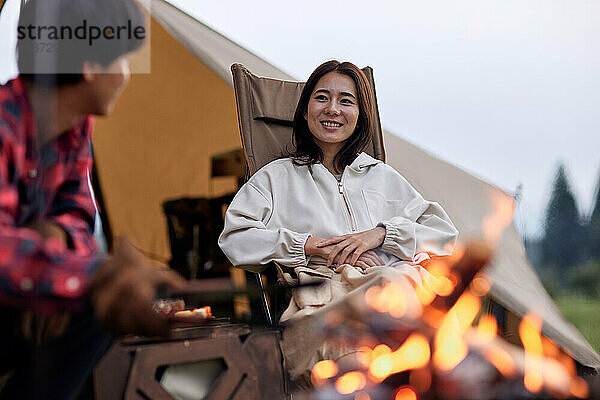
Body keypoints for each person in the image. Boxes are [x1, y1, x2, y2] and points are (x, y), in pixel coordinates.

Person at [219, 60, 459, 385]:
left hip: (389, 294)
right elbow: (235, 237)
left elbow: (445, 237)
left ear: (360, 115)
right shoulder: (277, 177)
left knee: (411, 311)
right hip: (321, 307)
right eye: (321, 98)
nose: (333, 109)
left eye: (346, 101)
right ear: (305, 111)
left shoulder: (382, 177)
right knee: (372, 346)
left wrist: (380, 235)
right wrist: (308, 245)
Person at [0, 1, 185, 398]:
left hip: (18, 302)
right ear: (88, 65)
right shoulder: (4, 125)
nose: (126, 74)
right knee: (95, 293)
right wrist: (90, 277)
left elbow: (80, 214)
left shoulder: (74, 126)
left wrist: (55, 245)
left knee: (95, 307)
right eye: (122, 59)